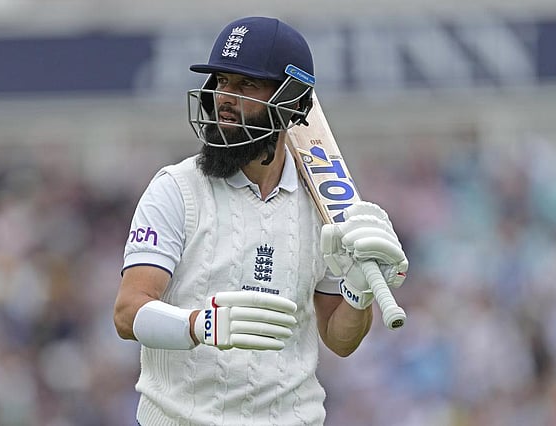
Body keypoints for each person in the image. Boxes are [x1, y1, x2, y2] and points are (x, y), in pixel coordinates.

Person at [113, 16, 408, 425]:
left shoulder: (323, 203)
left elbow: (340, 340)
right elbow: (127, 313)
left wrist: (358, 291)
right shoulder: (176, 189)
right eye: (222, 81)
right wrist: (200, 326)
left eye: (246, 84)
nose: (225, 98)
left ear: (291, 101)